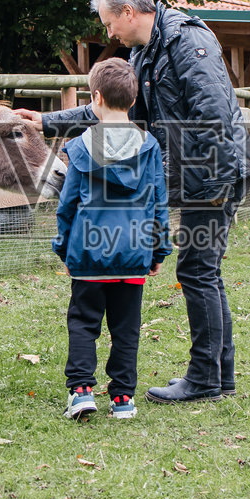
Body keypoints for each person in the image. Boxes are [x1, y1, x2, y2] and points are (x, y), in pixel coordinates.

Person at [21, 0, 250, 403]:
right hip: (197, 173)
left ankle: (206, 378)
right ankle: (218, 376)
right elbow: (112, 107)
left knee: (198, 272)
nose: (108, 32)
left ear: (128, 12)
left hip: (214, 172)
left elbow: (215, 117)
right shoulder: (145, 53)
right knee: (204, 273)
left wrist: (191, 180)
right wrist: (45, 122)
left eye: (109, 22)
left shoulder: (187, 44)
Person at [51, 58, 171, 420]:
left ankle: (82, 391)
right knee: (126, 328)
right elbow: (158, 203)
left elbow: (67, 204)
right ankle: (122, 399)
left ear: (96, 97)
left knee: (84, 321)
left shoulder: (80, 147)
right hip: (133, 253)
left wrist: (63, 245)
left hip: (88, 253)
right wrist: (158, 249)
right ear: (132, 101)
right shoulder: (149, 147)